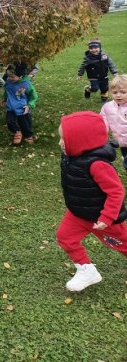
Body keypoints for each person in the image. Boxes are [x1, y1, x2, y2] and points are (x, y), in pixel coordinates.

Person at [56, 111, 127, 291]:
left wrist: (107, 217)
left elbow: (116, 192)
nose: (60, 143)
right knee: (65, 237)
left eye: (64, 139)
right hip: (78, 213)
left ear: (81, 140)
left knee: (123, 244)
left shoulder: (98, 165)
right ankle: (86, 270)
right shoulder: (71, 157)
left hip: (102, 220)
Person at [2, 64, 39, 145]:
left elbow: (34, 96)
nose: (9, 78)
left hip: (23, 107)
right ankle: (17, 132)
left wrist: (29, 105)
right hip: (11, 106)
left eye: (12, 77)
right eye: (8, 76)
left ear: (21, 76)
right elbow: (7, 91)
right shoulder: (8, 82)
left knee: (25, 123)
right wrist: (4, 99)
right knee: (10, 122)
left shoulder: (26, 84)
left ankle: (28, 135)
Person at [77, 38, 118, 102]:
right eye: (91, 48)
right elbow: (83, 66)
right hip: (93, 76)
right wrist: (80, 74)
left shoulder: (104, 56)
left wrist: (114, 72)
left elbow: (110, 64)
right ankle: (87, 90)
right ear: (89, 49)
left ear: (100, 47)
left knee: (105, 88)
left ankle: (104, 100)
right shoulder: (88, 58)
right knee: (95, 88)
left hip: (103, 75)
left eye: (96, 48)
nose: (93, 50)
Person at [100, 74, 127, 171]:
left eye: (123, 92)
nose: (118, 95)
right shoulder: (107, 107)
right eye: (115, 92)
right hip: (121, 142)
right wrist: (103, 131)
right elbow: (103, 120)